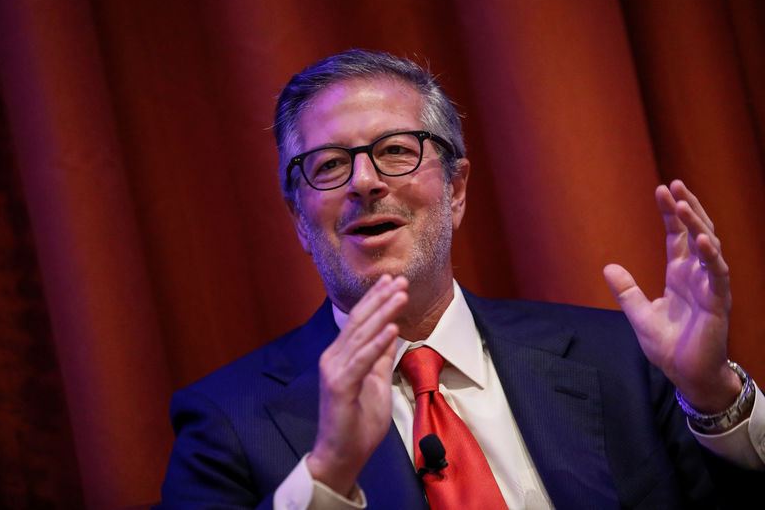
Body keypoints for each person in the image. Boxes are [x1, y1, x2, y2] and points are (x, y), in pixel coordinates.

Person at [158, 49, 765, 509]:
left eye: (397, 150)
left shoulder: (622, 361)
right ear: (297, 217)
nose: (364, 182)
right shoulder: (225, 421)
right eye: (329, 165)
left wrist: (713, 394)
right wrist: (329, 469)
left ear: (455, 190)